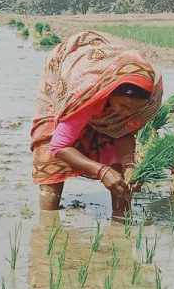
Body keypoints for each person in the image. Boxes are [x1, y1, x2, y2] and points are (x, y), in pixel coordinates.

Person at [30, 30, 164, 217]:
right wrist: (102, 171)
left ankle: (121, 219)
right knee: (49, 151)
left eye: (133, 109)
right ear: (110, 91)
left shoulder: (148, 100)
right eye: (123, 105)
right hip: (66, 80)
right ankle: (48, 219)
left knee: (115, 155)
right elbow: (59, 146)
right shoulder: (84, 93)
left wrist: (129, 165)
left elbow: (122, 131)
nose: (126, 113)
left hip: (104, 74)